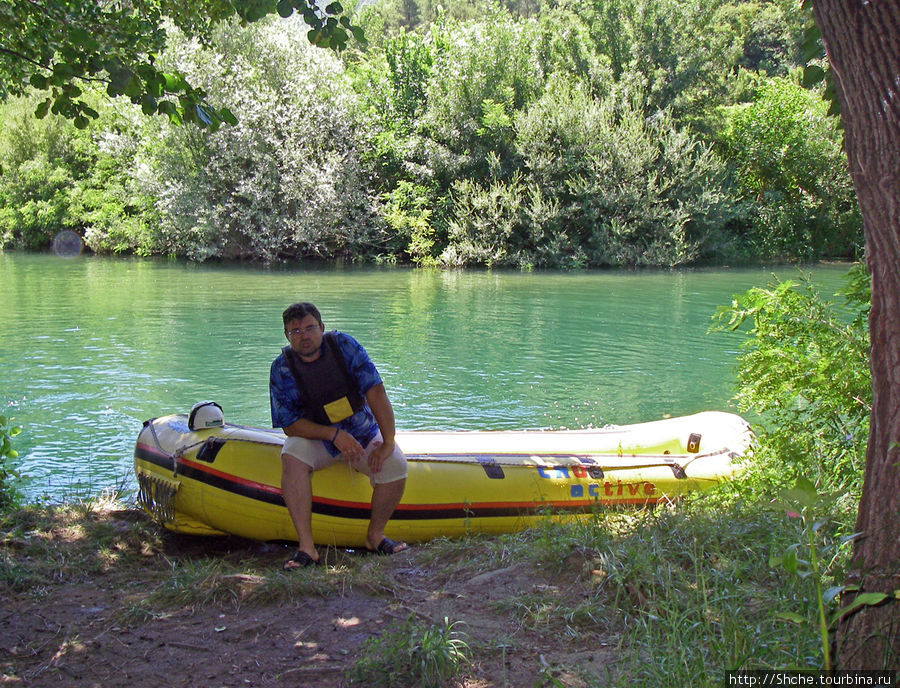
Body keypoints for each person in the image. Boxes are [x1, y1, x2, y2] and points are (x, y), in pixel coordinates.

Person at [269, 302, 409, 569]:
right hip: (317, 438)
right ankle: (306, 549)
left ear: (321, 328)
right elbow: (290, 425)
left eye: (310, 328)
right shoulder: (281, 369)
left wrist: (388, 441)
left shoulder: (345, 347)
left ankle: (375, 535)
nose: (304, 335)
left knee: (395, 466)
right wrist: (333, 435)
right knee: (291, 456)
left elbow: (376, 392)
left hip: (362, 432)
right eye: (295, 331)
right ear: (287, 336)